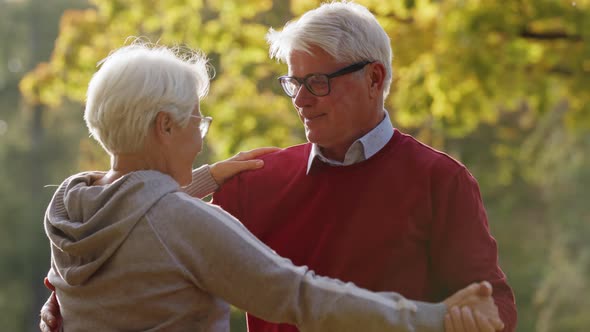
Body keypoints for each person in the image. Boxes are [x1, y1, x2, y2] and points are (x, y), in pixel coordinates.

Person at [39, 42, 504, 331]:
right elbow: (303, 298)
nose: (200, 142)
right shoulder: (186, 224)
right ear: (164, 126)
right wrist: (437, 319)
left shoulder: (71, 208)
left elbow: (137, 211)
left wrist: (210, 177)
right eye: (196, 125)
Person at [207, 1, 517, 332]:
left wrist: (479, 321)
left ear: (374, 78)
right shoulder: (256, 180)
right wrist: (202, 179)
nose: (300, 99)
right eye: (295, 83)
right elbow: (157, 235)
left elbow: (492, 305)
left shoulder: (440, 181)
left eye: (317, 82)